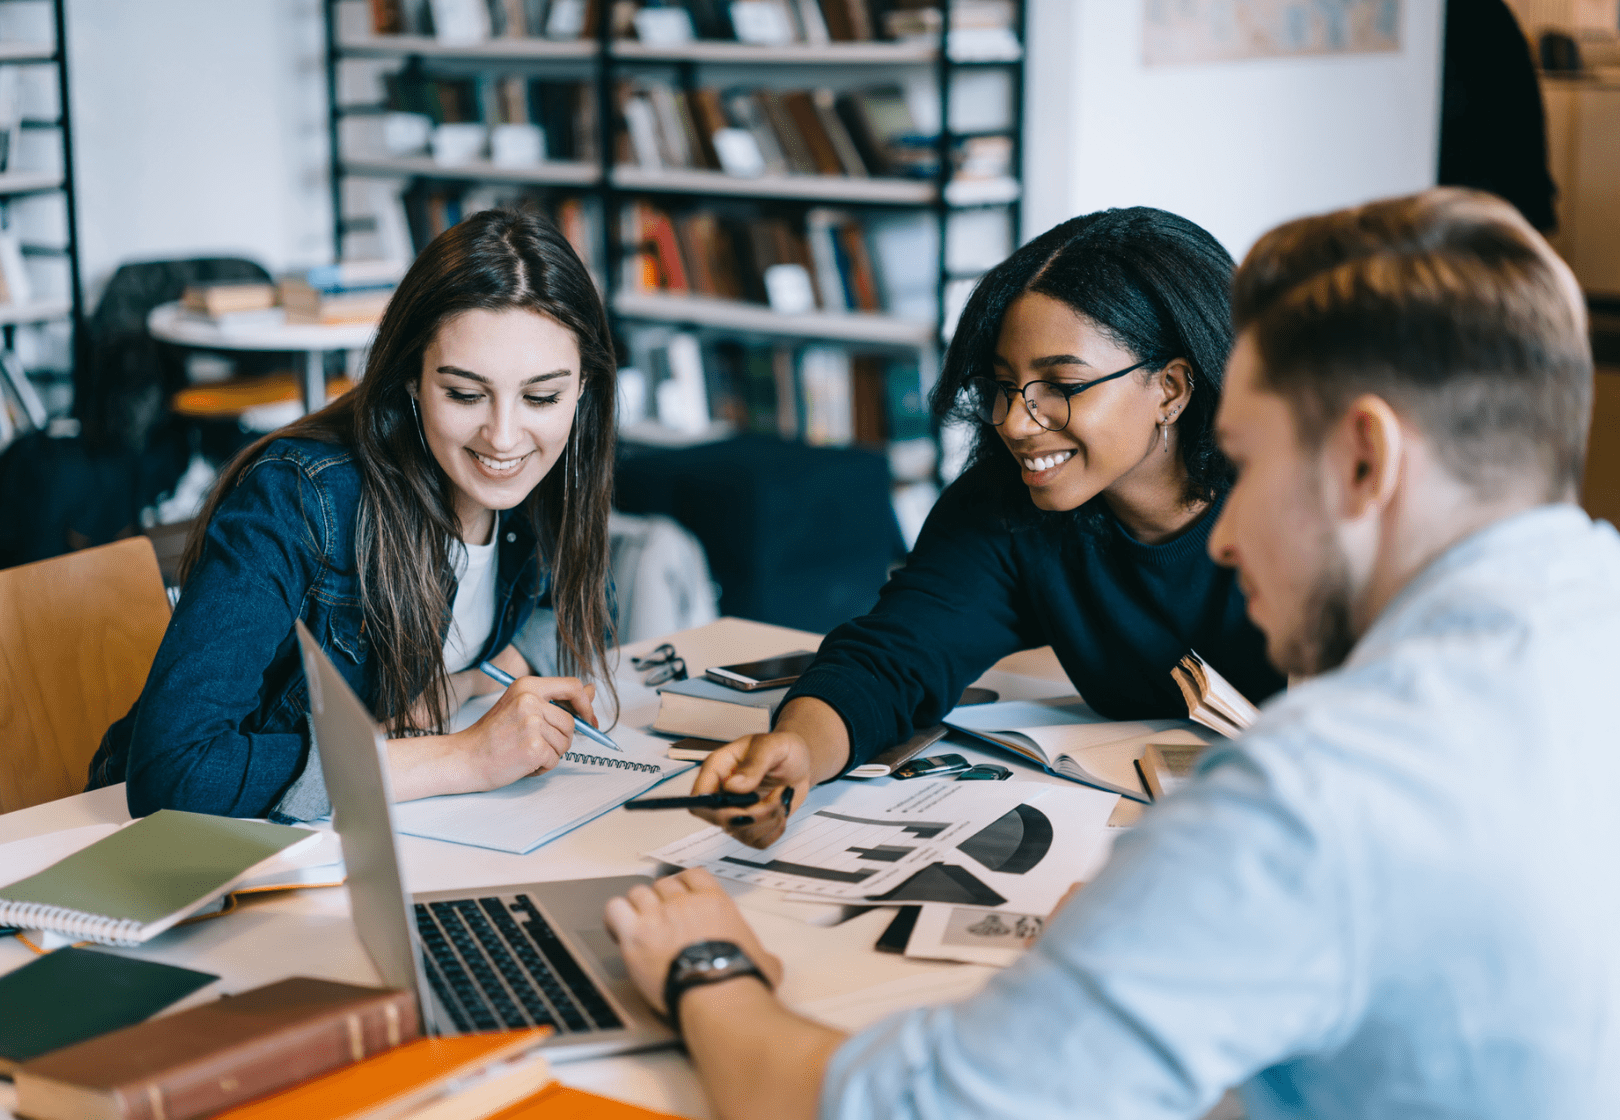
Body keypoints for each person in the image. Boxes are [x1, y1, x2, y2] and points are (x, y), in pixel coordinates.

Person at [601, 188, 1620, 1119]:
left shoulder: (1313, 792)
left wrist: (707, 968)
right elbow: (904, 641)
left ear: (1365, 459)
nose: (1224, 537)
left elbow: (909, 1111)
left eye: (1253, 459)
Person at [694, 207, 1286, 846]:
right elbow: (893, 658)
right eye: (1004, 385)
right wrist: (798, 752)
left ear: (1170, 388)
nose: (1016, 422)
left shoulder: (1299, 503)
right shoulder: (1009, 505)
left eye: (1060, 384)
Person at [89, 208, 618, 823]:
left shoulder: (550, 476)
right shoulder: (298, 498)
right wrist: (464, 757)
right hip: (205, 852)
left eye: (541, 396)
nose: (504, 437)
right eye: (465, 394)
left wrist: (474, 681)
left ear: (583, 387)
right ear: (412, 380)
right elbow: (173, 773)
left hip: (382, 838)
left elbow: (586, 606)